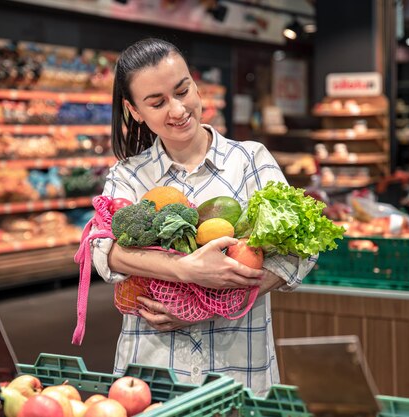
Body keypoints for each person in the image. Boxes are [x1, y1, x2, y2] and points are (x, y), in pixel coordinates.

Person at [91, 38, 316, 396]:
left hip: (239, 370)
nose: (178, 109)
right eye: (157, 102)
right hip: (151, 373)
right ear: (134, 110)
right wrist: (185, 271)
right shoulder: (129, 176)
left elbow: (299, 251)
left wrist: (204, 306)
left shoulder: (250, 161)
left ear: (195, 85)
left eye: (183, 91)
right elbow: (104, 252)